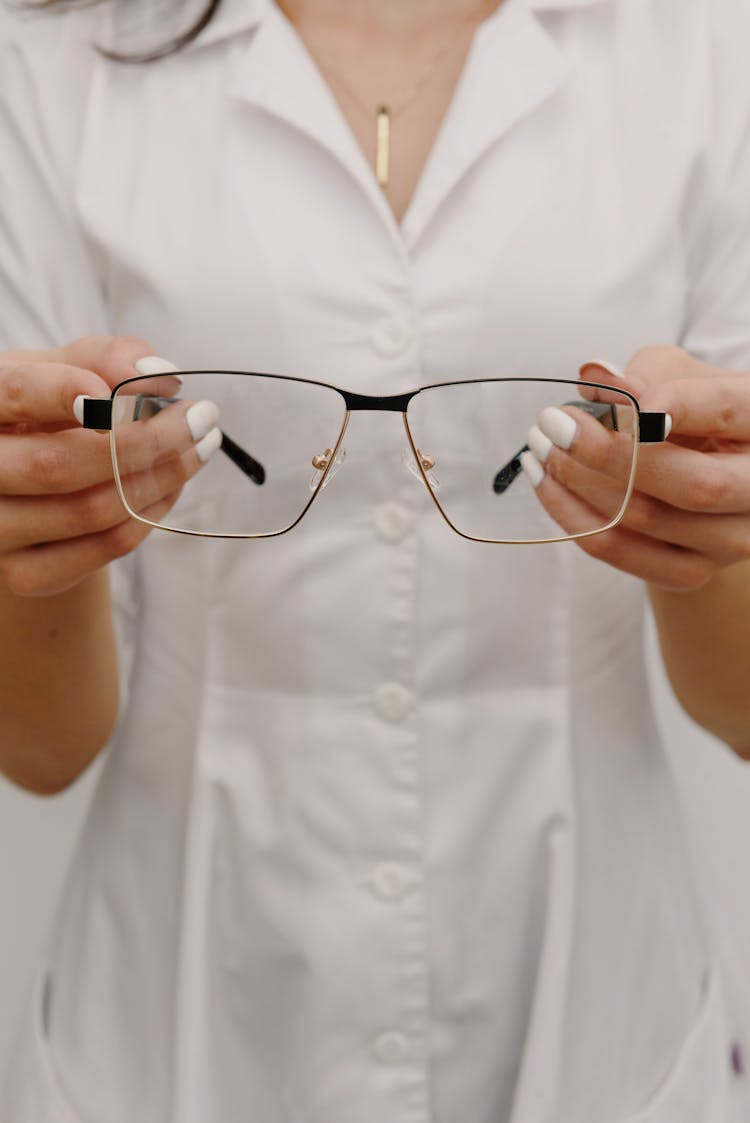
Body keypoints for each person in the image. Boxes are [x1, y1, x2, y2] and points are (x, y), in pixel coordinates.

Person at [1, 0, 750, 1120]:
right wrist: (36, 531)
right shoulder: (59, 59)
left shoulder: (701, 47)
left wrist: (700, 517)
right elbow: (41, 747)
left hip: (594, 1000)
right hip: (180, 999)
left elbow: (741, 705)